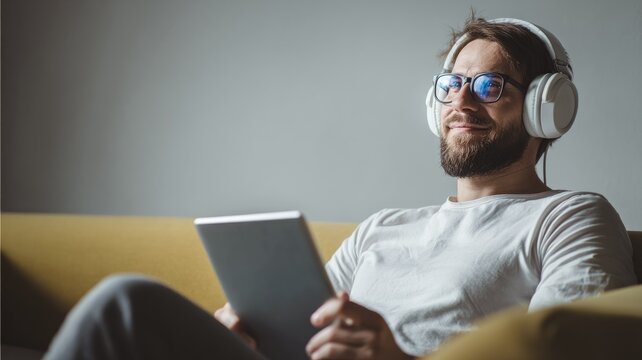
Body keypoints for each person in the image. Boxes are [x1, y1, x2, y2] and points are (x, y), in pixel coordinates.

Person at [44, 15, 636, 360]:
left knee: (122, 301)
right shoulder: (383, 226)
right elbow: (301, 328)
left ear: (543, 110)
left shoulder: (571, 217)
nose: (460, 100)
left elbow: (563, 350)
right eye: (451, 83)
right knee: (123, 310)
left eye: (489, 86)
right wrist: (249, 331)